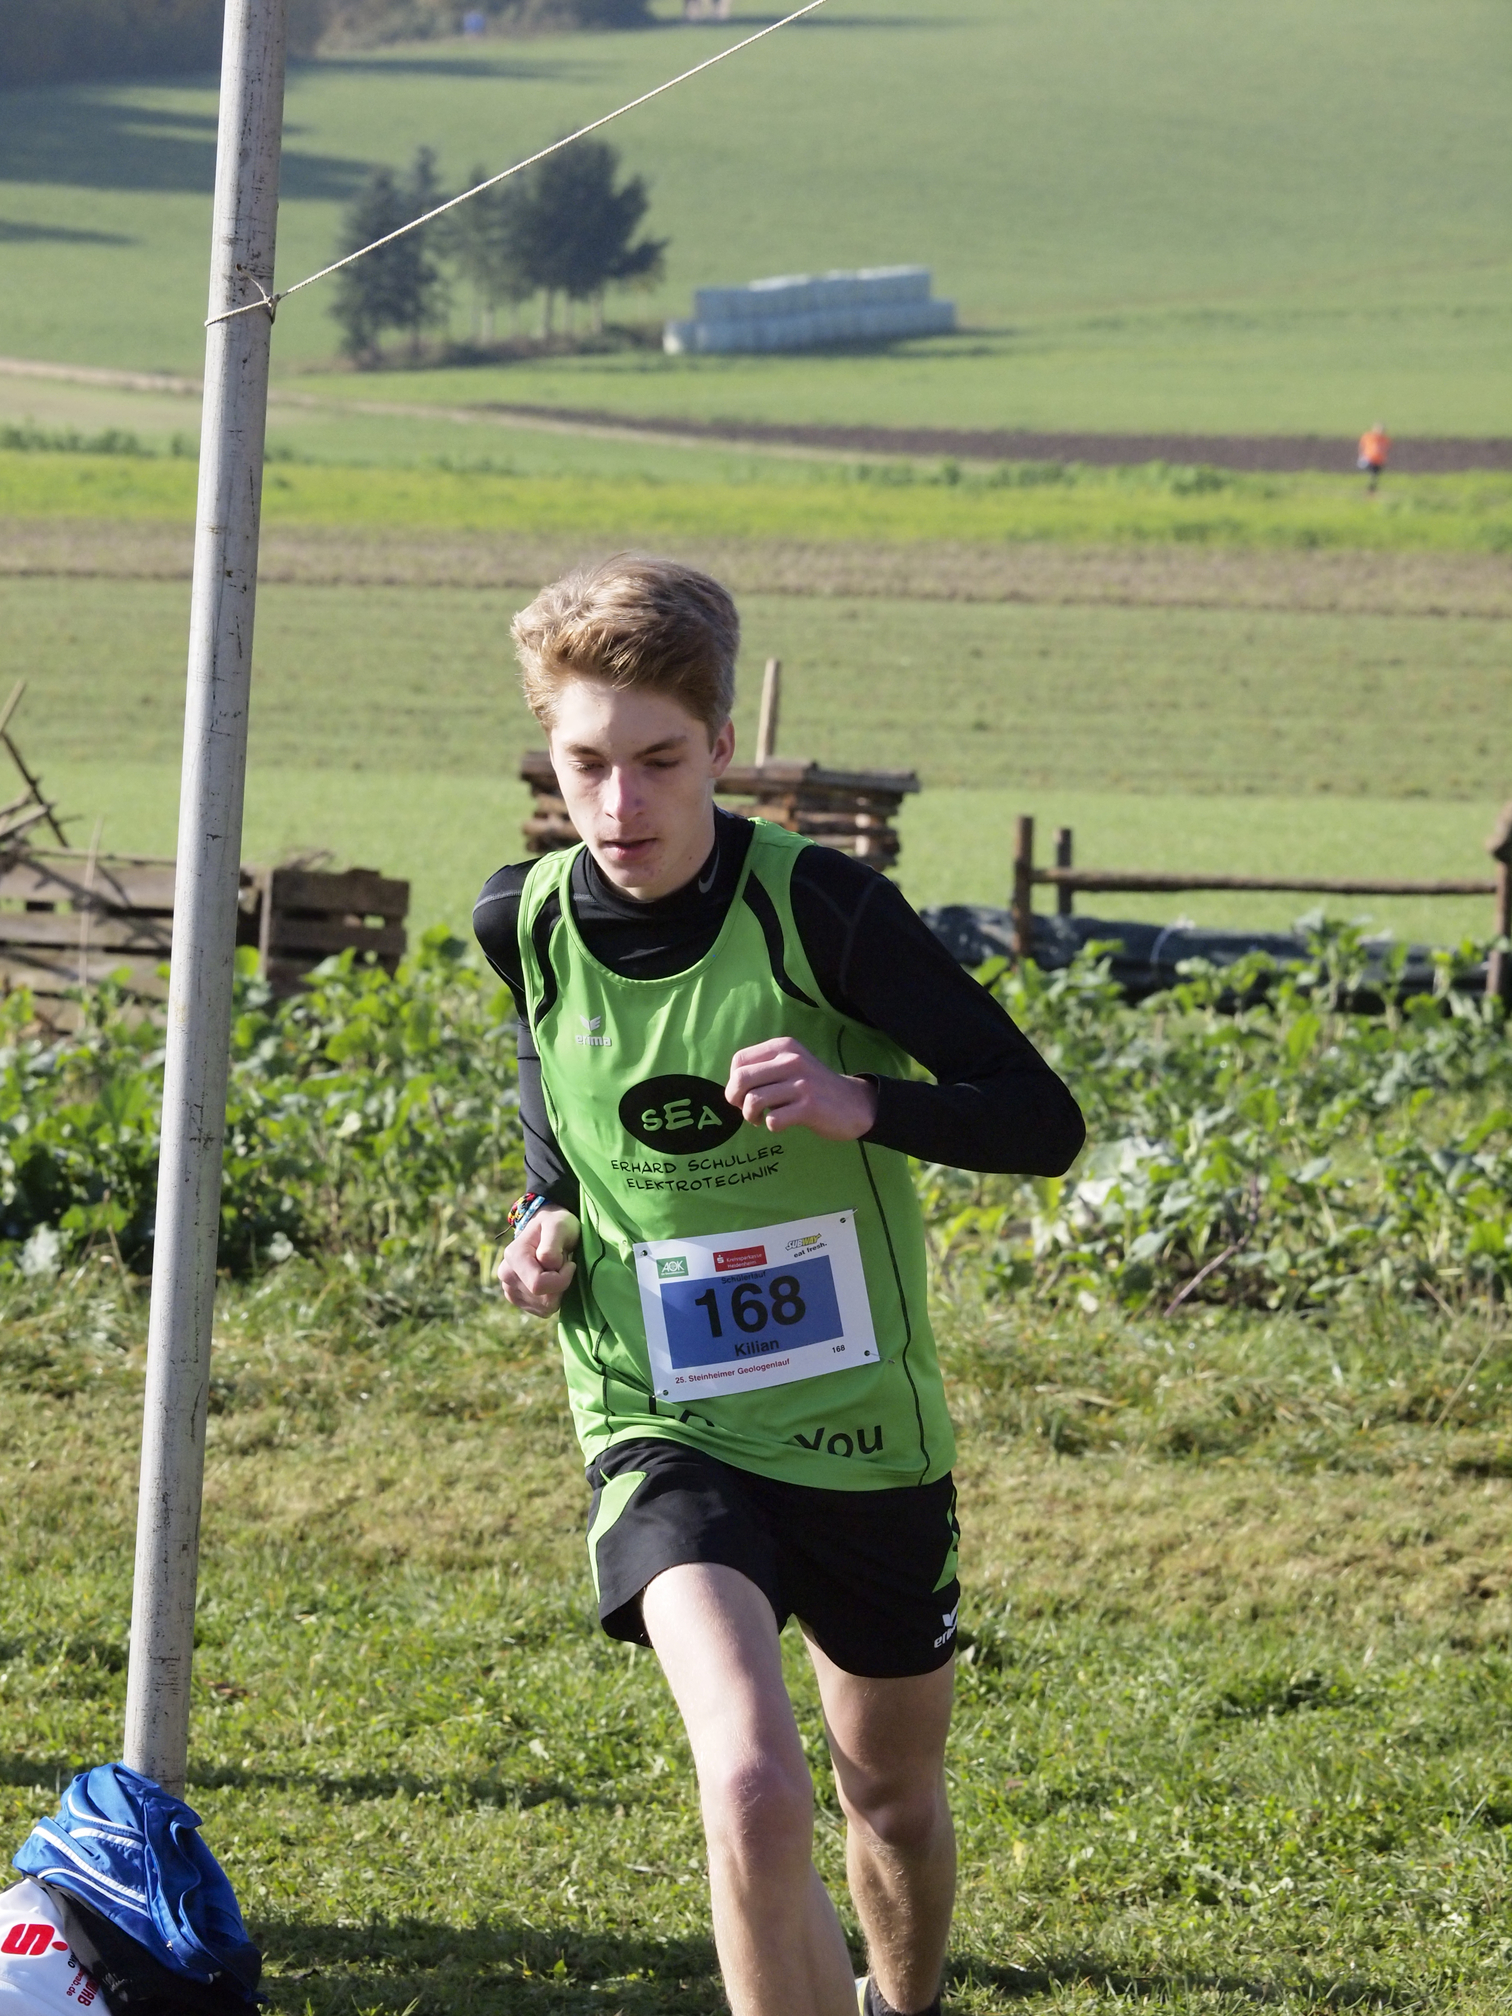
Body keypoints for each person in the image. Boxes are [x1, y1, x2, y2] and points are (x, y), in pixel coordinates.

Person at [475, 555, 1085, 2016]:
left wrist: (861, 1102)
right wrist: (544, 1219)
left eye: (659, 762)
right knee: (752, 1787)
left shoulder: (824, 910)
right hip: (662, 1416)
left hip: (863, 1430)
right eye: (586, 766)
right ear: (550, 753)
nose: (620, 805)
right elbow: (557, 1110)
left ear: (722, 746)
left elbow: (1041, 1119)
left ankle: (902, 2002)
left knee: (892, 1802)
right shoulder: (526, 921)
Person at [1358, 421, 1391, 493]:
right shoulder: (1368, 437)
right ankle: (1367, 488)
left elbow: (1386, 449)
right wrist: (1362, 456)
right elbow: (1362, 446)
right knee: (1371, 473)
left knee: (1376, 475)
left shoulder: (1385, 439)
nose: (1380, 431)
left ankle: (1371, 489)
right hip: (1369, 458)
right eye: (1379, 429)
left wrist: (1384, 458)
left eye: (1382, 430)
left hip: (1379, 460)